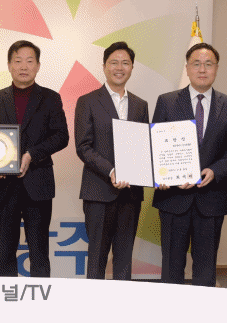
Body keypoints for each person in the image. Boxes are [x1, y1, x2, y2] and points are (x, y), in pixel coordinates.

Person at [152, 43, 227, 286]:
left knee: (205, 270)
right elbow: (155, 145)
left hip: (211, 199)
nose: (202, 69)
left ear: (216, 68)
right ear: (187, 68)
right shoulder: (167, 101)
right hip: (173, 199)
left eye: (208, 64)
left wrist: (215, 170)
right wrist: (162, 177)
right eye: (196, 64)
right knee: (171, 268)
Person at [0, 40, 69, 277]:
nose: (23, 66)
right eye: (18, 61)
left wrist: (32, 154)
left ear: (38, 66)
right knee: (5, 253)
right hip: (3, 186)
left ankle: (40, 300)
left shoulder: (50, 98)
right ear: (9, 65)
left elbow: (61, 136)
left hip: (38, 184)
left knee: (39, 252)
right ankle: (7, 299)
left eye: (30, 61)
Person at [74, 41, 149, 280]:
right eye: (114, 62)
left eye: (125, 63)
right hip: (99, 191)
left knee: (124, 259)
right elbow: (83, 146)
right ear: (105, 66)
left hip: (131, 194)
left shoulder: (140, 105)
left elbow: (143, 147)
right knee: (97, 257)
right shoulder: (87, 101)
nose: (119, 67)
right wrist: (111, 171)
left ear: (132, 67)